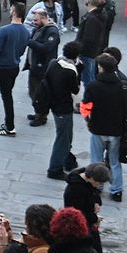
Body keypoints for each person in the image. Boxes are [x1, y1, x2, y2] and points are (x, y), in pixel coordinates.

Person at [82, 54, 127, 202]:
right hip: (116, 130)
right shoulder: (123, 86)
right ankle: (117, 190)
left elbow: (86, 106)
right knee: (115, 161)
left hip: (97, 128)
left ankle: (96, 185)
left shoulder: (93, 85)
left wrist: (87, 120)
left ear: (101, 67)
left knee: (96, 160)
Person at [0, 4, 28, 135]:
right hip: (15, 67)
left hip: (3, 67)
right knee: (8, 93)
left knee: (6, 97)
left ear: (14, 12)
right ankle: (8, 124)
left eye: (11, 9)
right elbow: (22, 50)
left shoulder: (4, 30)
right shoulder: (26, 31)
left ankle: (9, 126)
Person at [42, 42, 82, 179]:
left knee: (66, 136)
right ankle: (54, 169)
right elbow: (75, 90)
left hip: (53, 104)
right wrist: (79, 72)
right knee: (63, 139)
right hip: (63, 108)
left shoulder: (54, 63)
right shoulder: (71, 71)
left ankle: (67, 160)